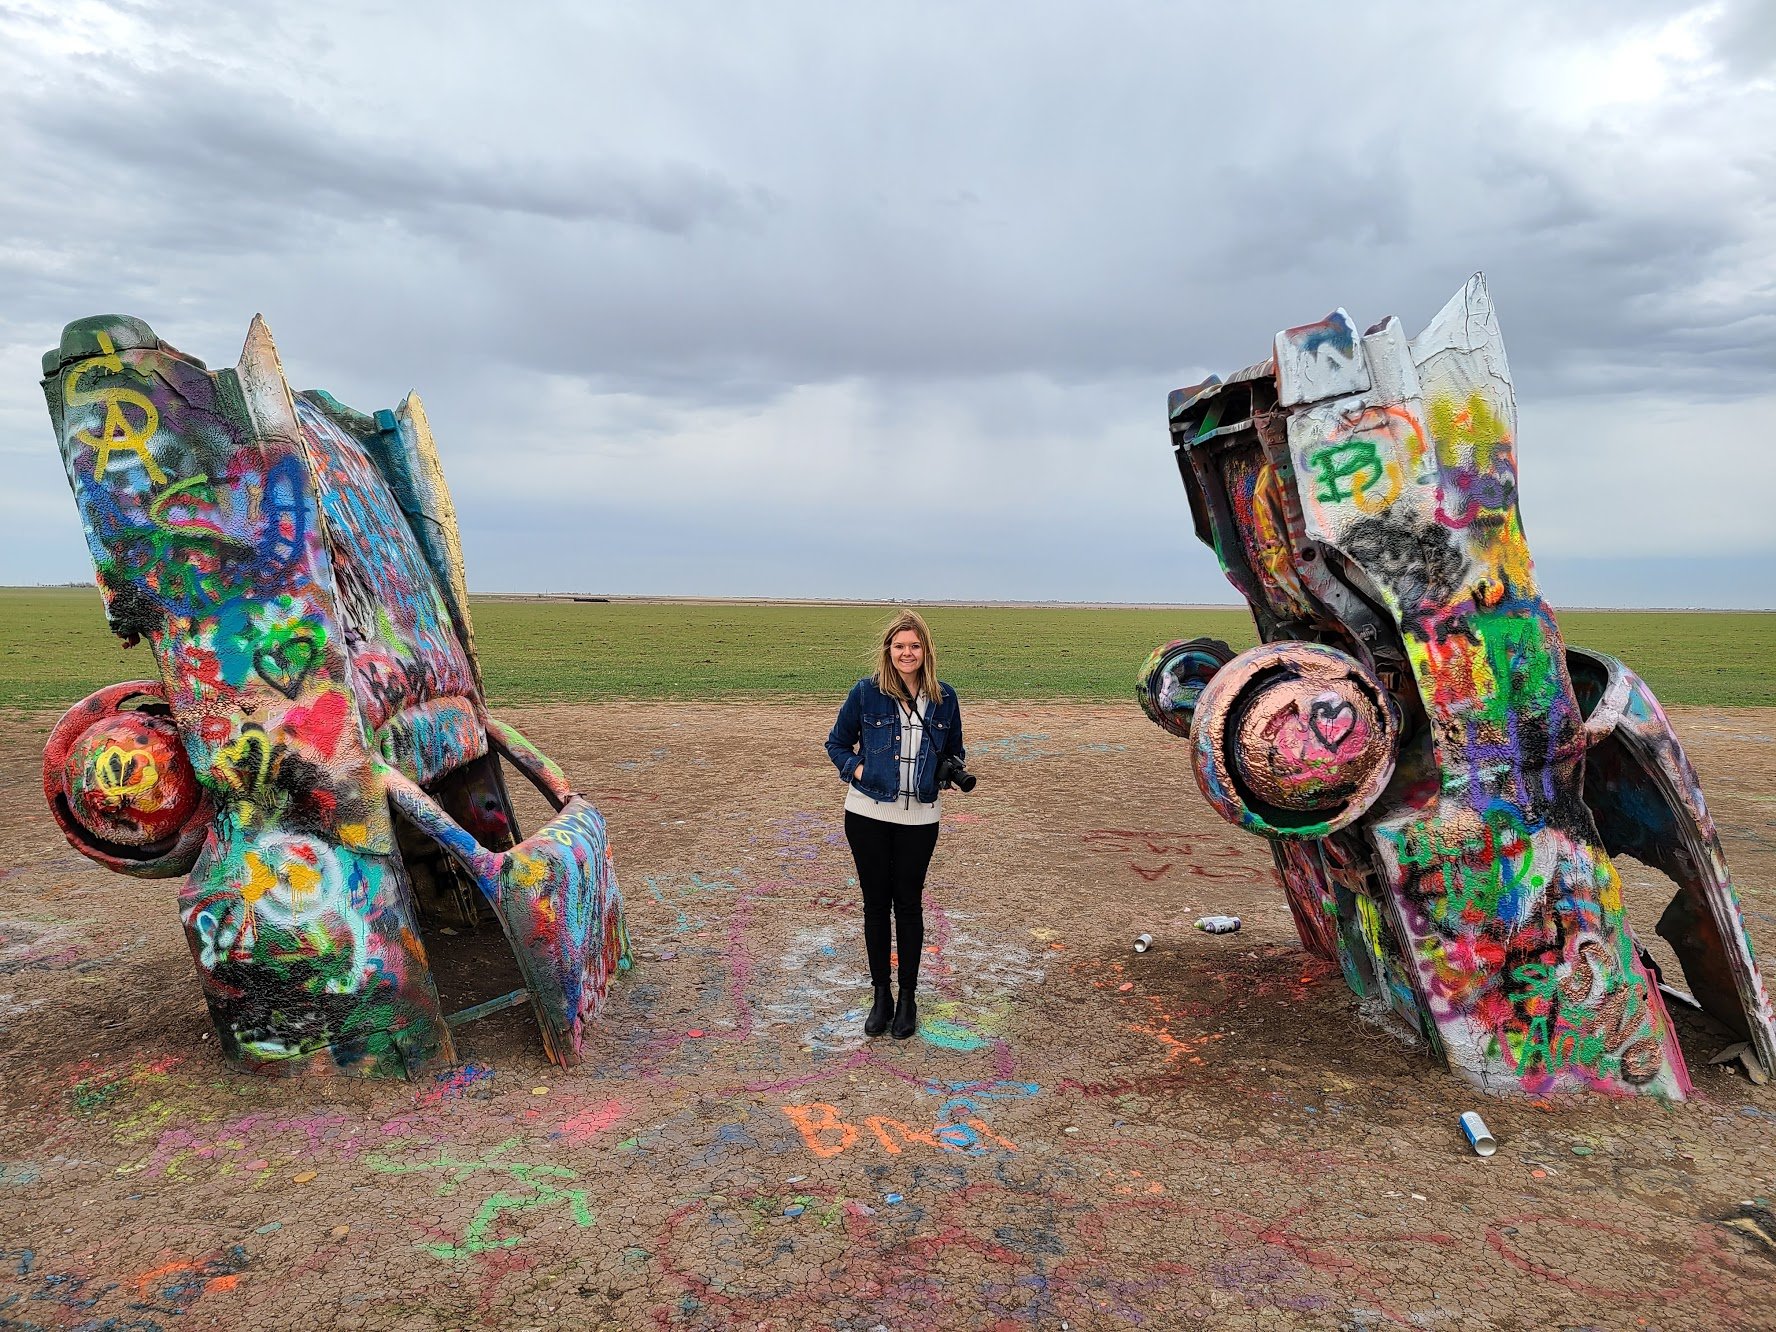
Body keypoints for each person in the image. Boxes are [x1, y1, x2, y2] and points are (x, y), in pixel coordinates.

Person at [824, 609, 965, 1040]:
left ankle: (908, 999)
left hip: (920, 818)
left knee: (908, 903)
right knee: (874, 903)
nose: (908, 653)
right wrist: (859, 770)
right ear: (889, 650)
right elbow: (836, 744)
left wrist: (947, 772)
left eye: (915, 646)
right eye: (900, 646)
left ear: (926, 651)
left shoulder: (944, 697)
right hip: (867, 813)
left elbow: (955, 750)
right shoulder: (867, 693)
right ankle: (880, 996)